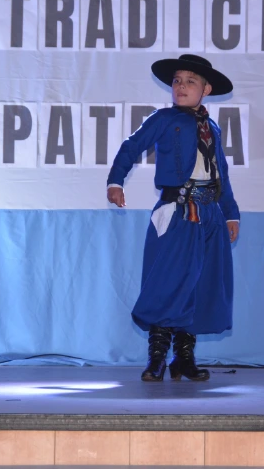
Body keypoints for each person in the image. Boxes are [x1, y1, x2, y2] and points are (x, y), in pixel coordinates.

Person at [107, 54, 241, 382]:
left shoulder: (213, 128)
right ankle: (156, 359)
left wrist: (230, 213)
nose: (180, 86)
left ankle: (184, 358)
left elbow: (220, 173)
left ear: (206, 89)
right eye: (177, 81)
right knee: (168, 284)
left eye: (190, 81)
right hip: (178, 211)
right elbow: (132, 146)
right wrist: (115, 180)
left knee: (199, 285)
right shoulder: (163, 119)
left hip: (209, 214)